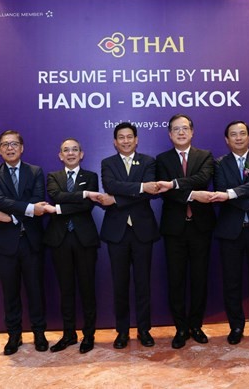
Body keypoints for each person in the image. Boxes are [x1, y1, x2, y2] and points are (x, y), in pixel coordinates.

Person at [88, 122, 160, 349]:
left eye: (130, 137)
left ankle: (144, 330)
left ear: (136, 140)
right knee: (120, 284)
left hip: (142, 231)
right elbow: (111, 184)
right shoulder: (107, 163)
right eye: (121, 137)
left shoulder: (149, 161)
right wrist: (140, 188)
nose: (126, 141)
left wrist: (117, 199)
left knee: (143, 283)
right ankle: (122, 332)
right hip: (117, 232)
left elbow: (150, 194)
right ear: (115, 141)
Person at [210, 120, 249, 345]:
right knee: (232, 282)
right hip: (230, 232)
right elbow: (221, 194)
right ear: (226, 140)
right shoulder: (218, 164)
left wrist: (231, 194)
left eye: (242, 134)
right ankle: (236, 325)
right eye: (233, 135)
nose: (238, 138)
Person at [0, 130, 49, 355]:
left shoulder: (35, 171)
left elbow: (38, 200)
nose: (9, 148)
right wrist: (27, 210)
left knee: (35, 290)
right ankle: (14, 335)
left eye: (14, 144)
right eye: (5, 144)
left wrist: (10, 216)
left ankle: (39, 333)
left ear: (22, 148)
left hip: (31, 242)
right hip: (5, 244)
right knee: (10, 292)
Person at [155, 114, 215, 349]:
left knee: (200, 278)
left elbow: (203, 178)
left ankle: (196, 325)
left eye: (185, 128)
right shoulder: (162, 159)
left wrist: (177, 184)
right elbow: (164, 190)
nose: (181, 132)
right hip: (174, 229)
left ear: (192, 132)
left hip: (201, 227)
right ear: (170, 134)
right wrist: (191, 194)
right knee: (176, 279)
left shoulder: (205, 156)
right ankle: (180, 327)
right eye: (176, 129)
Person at [42, 138, 100, 354]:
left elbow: (84, 207)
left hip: (84, 239)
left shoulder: (91, 176)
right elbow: (56, 196)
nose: (71, 153)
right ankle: (69, 335)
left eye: (75, 149)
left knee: (87, 289)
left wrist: (57, 210)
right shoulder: (53, 177)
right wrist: (83, 193)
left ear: (82, 154)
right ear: (60, 155)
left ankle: (89, 335)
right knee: (65, 289)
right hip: (60, 239)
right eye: (66, 150)